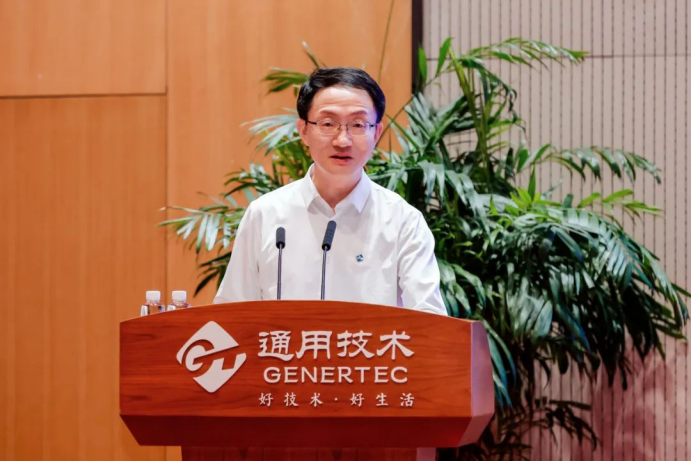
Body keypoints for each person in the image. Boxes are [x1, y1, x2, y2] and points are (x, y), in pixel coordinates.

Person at [213, 67, 447, 315]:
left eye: (357, 124)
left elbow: (430, 320)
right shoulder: (265, 214)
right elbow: (231, 313)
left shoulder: (403, 222)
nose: (342, 140)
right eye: (328, 123)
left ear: (376, 133)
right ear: (304, 130)